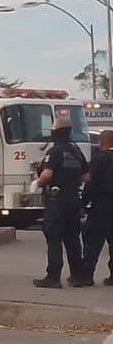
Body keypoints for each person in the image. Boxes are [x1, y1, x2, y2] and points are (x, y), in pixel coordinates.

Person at [33, 117, 89, 289]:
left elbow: (47, 175)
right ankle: (77, 276)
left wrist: (38, 183)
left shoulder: (54, 151)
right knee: (72, 239)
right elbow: (85, 176)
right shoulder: (76, 151)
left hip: (57, 200)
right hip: (73, 198)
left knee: (54, 238)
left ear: (55, 132)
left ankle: (53, 277)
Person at [81, 130, 113, 285]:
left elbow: (91, 184)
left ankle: (86, 276)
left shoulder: (100, 159)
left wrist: (82, 203)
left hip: (102, 206)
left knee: (93, 241)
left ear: (101, 141)